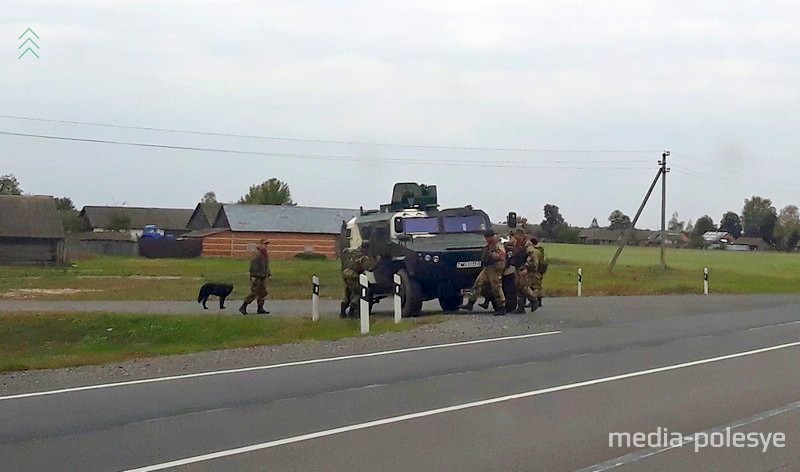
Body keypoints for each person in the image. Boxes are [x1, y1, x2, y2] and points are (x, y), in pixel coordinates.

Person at [461, 229, 506, 315]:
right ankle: (470, 303)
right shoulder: (490, 244)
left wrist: (491, 255)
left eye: (487, 237)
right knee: (478, 283)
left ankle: (501, 307)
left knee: (496, 286)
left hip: (495, 267)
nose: (486, 239)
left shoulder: (498, 244)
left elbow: (502, 256)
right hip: (488, 267)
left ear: (491, 237)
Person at [511, 228, 539, 313]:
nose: (514, 237)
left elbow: (532, 257)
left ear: (520, 235)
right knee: (519, 287)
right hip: (518, 266)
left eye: (515, 235)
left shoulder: (527, 244)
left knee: (524, 286)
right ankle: (521, 307)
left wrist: (527, 268)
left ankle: (534, 300)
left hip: (525, 267)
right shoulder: (517, 243)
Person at [239, 240, 271, 315]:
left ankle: (260, 308)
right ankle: (243, 306)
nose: (266, 246)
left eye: (267, 244)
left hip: (263, 276)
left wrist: (268, 273)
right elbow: (253, 266)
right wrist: (253, 276)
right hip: (257, 276)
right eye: (264, 244)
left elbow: (266, 265)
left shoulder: (265, 254)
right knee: (254, 292)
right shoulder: (257, 254)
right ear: (261, 244)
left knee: (263, 293)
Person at [341, 250, 371, 317]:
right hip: (353, 276)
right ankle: (351, 312)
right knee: (357, 294)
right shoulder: (363, 257)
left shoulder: (351, 256)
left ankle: (342, 312)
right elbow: (363, 267)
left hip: (346, 275)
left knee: (347, 294)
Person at [530, 236, 547, 308]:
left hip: (536, 270)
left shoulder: (535, 250)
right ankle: (539, 300)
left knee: (535, 286)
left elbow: (535, 261)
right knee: (538, 285)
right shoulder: (541, 249)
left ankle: (535, 300)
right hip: (541, 269)